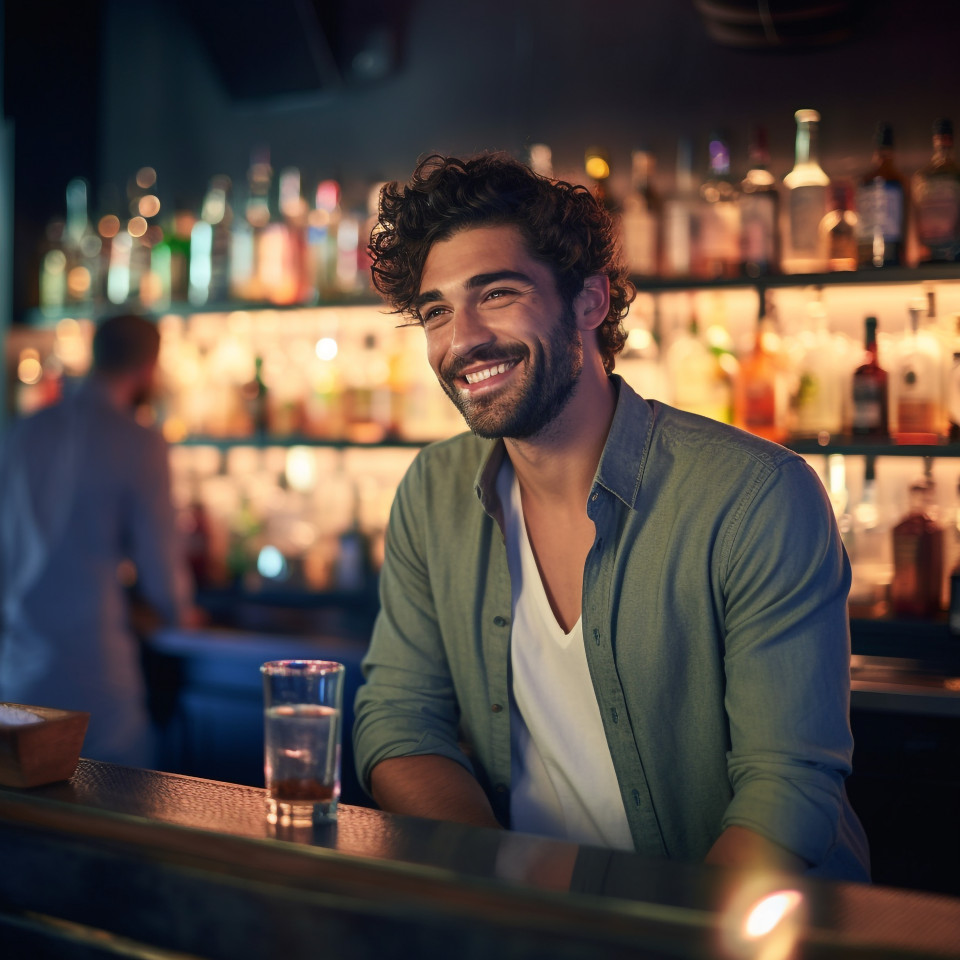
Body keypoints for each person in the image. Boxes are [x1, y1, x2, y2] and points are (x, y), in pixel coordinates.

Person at [352, 153, 869, 881]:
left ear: (589, 302)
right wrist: (503, 899)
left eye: (496, 293)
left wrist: (666, 943)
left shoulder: (755, 497)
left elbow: (785, 796)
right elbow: (399, 722)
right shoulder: (432, 494)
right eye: (436, 310)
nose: (460, 339)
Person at [0, 313, 192, 767]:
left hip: (18, 666)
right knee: (116, 812)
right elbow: (160, 564)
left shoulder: (25, 431)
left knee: (23, 821)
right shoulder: (139, 443)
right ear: (150, 367)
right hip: (93, 668)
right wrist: (179, 611)